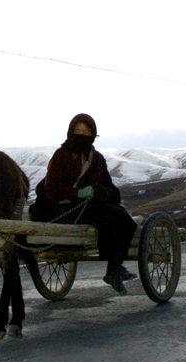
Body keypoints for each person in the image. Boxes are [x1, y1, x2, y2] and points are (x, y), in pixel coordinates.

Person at [29, 113, 138, 294]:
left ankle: (115, 267)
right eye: (77, 131)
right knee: (108, 215)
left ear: (93, 134)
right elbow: (52, 190)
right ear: (70, 132)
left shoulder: (97, 159)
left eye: (85, 132)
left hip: (87, 207)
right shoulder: (61, 155)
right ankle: (114, 267)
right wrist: (79, 193)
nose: (81, 135)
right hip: (59, 208)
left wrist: (102, 193)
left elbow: (110, 189)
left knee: (122, 215)